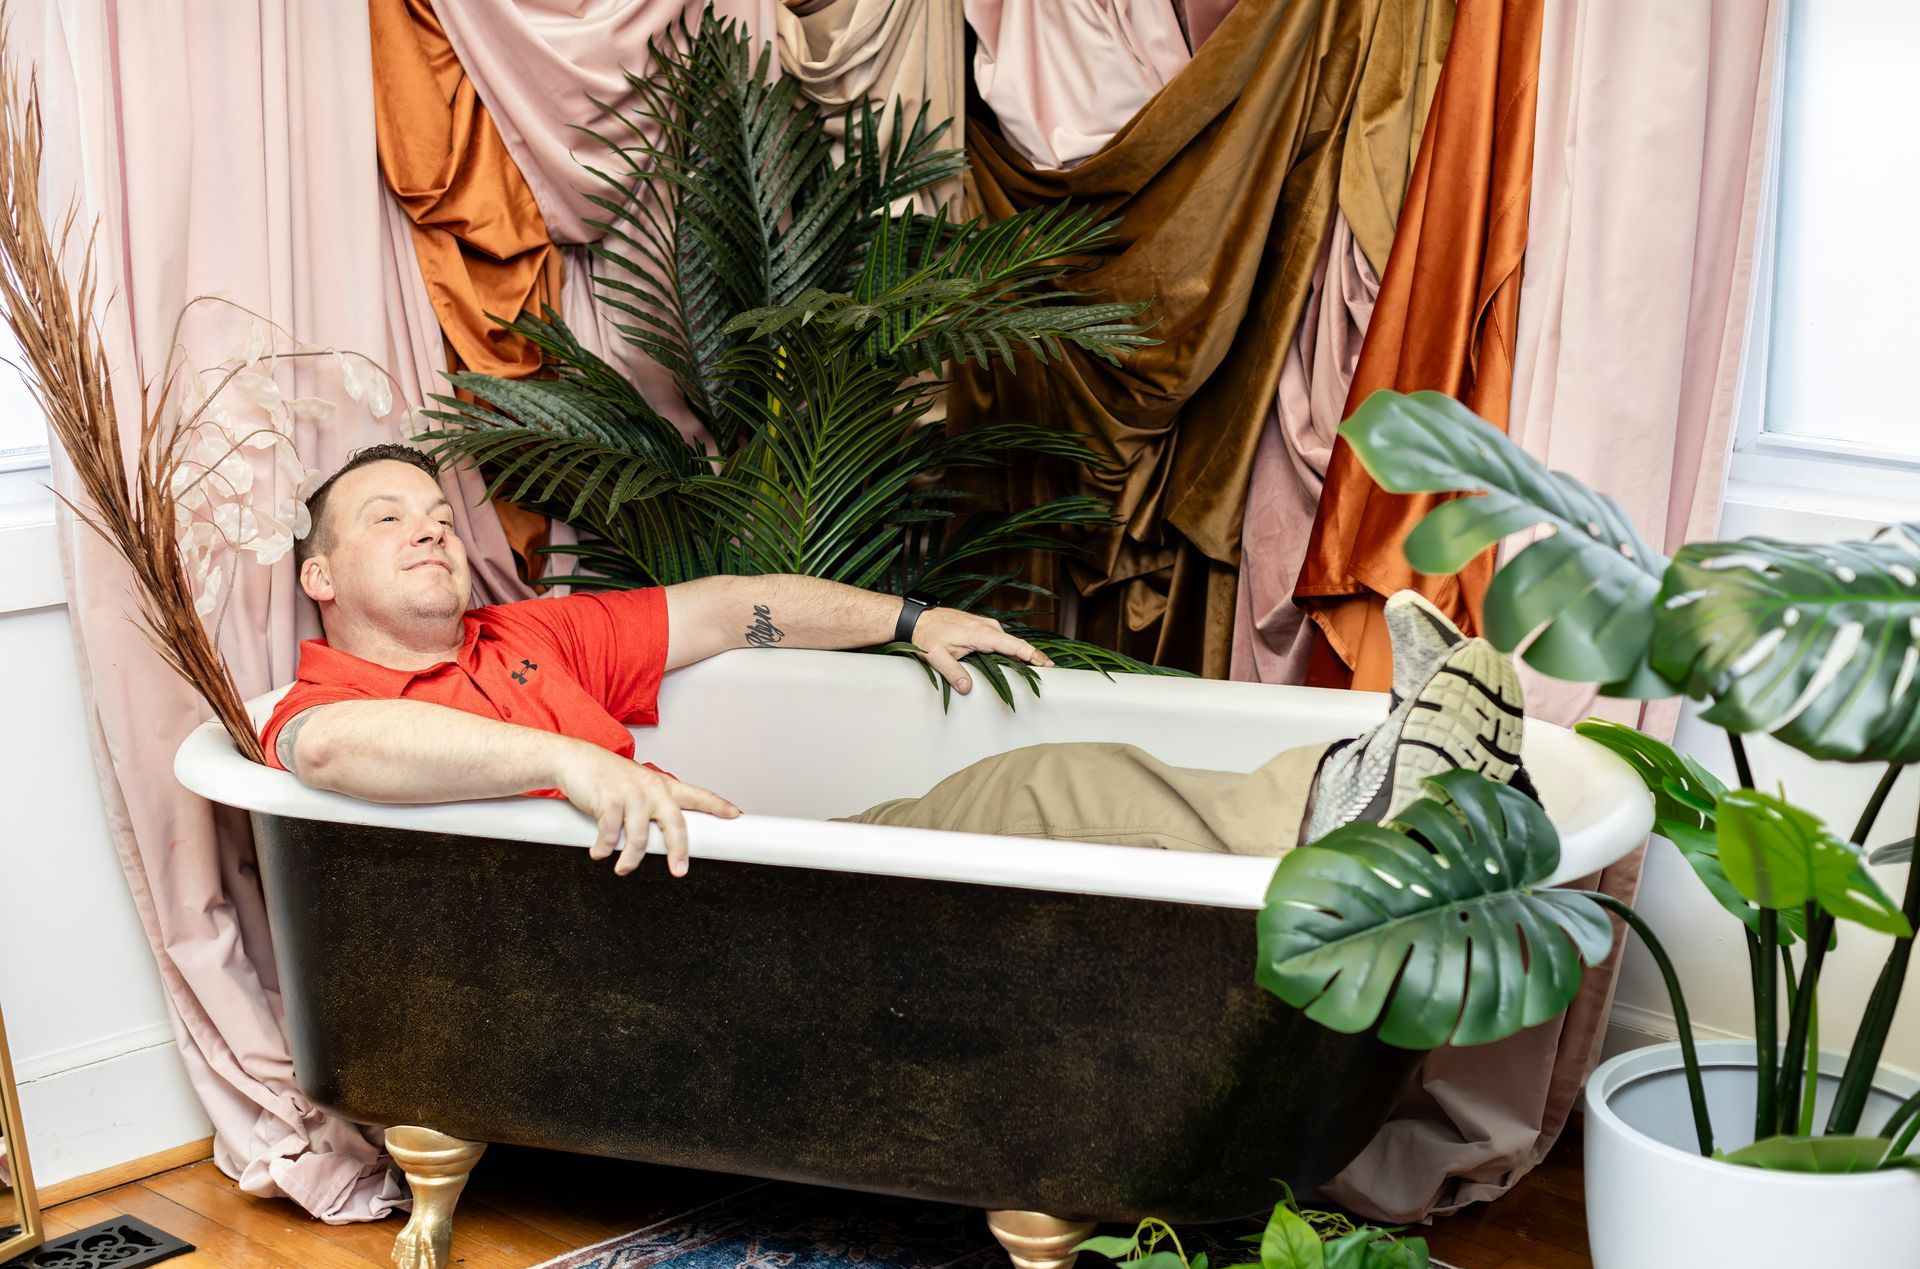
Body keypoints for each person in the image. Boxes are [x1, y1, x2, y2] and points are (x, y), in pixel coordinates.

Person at [262, 445, 1528, 877]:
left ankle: (1378, 775)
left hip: (757, 872)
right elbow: (338, 751)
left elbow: (734, 606)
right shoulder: (328, 701)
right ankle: (1384, 796)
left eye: (437, 513)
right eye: (387, 517)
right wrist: (572, 766)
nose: (430, 525)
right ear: (321, 578)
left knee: (1061, 777)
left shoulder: (527, 631)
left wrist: (910, 619)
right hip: (667, 928)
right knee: (1059, 794)